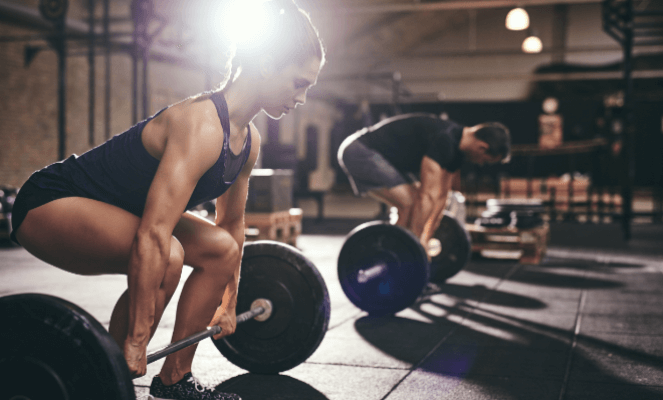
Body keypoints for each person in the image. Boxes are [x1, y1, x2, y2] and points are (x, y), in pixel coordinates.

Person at [10, 1, 325, 399]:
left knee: (221, 249)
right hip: (49, 203)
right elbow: (154, 234)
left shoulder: (249, 141)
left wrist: (229, 303)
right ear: (266, 63)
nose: (301, 97)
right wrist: (138, 340)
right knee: (169, 254)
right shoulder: (202, 126)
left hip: (126, 213)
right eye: (299, 82)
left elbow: (230, 226)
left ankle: (176, 378)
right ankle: (109, 376)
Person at [338, 113, 510, 253]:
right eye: (486, 161)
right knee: (411, 203)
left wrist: (426, 239)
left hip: (386, 159)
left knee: (412, 205)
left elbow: (441, 197)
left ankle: (395, 253)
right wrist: (416, 245)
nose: (481, 164)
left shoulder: (457, 152)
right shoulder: (444, 139)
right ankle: (392, 255)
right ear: (482, 147)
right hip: (360, 150)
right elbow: (427, 196)